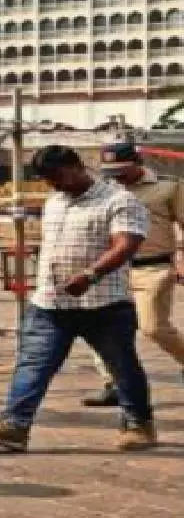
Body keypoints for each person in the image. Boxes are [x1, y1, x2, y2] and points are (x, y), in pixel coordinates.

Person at [0, 145, 157, 453]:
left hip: (103, 304)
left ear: (77, 166)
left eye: (57, 176)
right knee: (33, 364)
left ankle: (138, 424)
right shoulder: (55, 201)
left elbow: (126, 245)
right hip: (50, 304)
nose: (54, 184)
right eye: (47, 179)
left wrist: (90, 275)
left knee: (121, 366)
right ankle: (15, 425)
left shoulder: (119, 201)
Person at [84, 142, 184, 407]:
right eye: (110, 171)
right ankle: (114, 383)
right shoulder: (104, 190)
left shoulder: (169, 187)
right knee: (102, 330)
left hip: (154, 268)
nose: (116, 175)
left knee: (154, 328)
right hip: (113, 270)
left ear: (138, 163)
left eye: (122, 169)